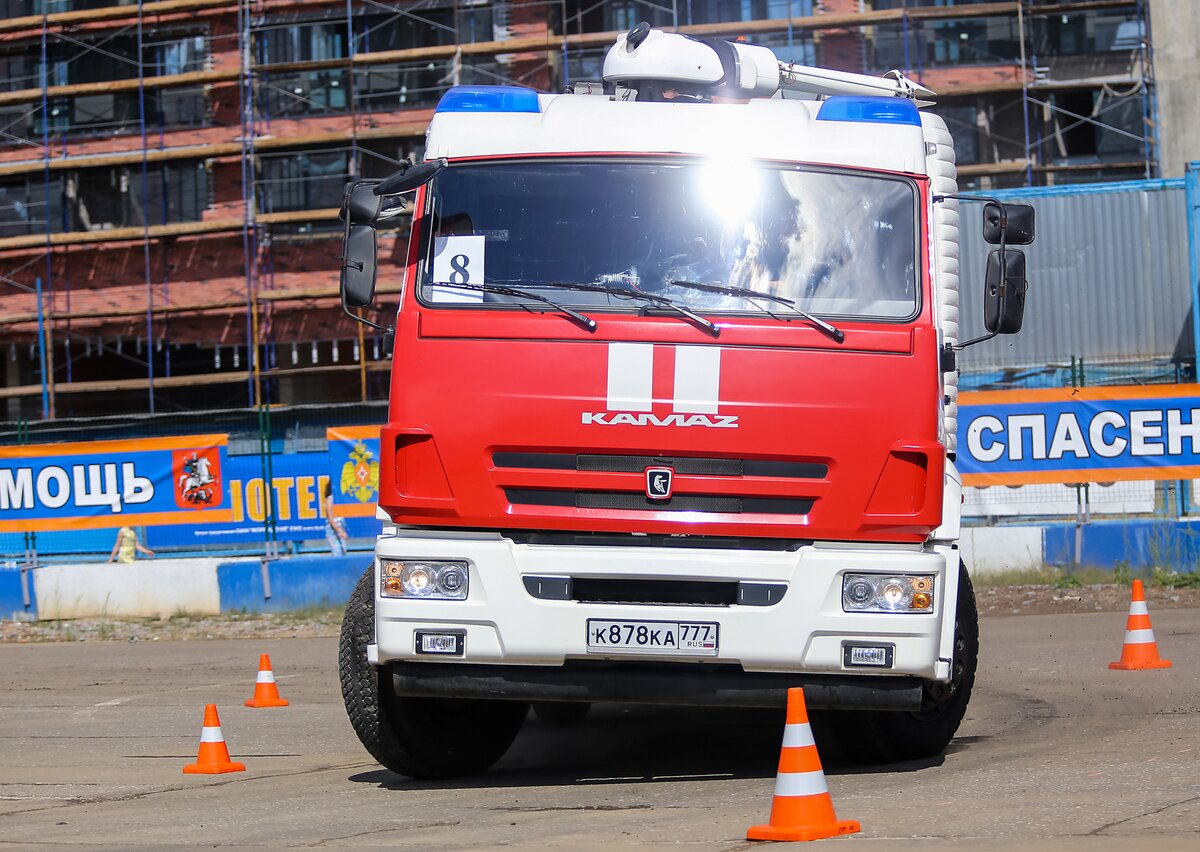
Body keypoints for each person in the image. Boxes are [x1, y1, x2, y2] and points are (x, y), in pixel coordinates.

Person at [324, 480, 349, 556]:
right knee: (337, 552)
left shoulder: (340, 498)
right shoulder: (330, 499)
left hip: (341, 526)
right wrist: (340, 531)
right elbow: (331, 520)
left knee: (343, 550)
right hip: (333, 530)